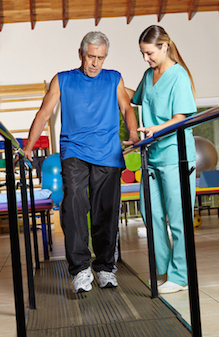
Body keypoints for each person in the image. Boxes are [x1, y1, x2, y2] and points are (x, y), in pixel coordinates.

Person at [17, 31, 139, 293]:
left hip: (108, 152)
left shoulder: (114, 78)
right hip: (74, 151)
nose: (95, 63)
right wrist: (28, 147)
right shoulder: (63, 80)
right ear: (80, 54)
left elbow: (127, 108)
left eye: (101, 58)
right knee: (73, 203)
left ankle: (105, 267)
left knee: (105, 211)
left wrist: (133, 133)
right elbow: (44, 112)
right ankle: (81, 269)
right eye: (91, 57)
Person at [126, 25, 196, 294]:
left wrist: (156, 129)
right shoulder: (149, 74)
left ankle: (180, 276)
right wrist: (116, 84)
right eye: (143, 54)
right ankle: (164, 269)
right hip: (152, 156)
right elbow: (136, 98)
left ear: (164, 46)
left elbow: (181, 118)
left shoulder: (178, 76)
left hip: (175, 156)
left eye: (149, 53)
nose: (146, 58)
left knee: (178, 219)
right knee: (150, 212)